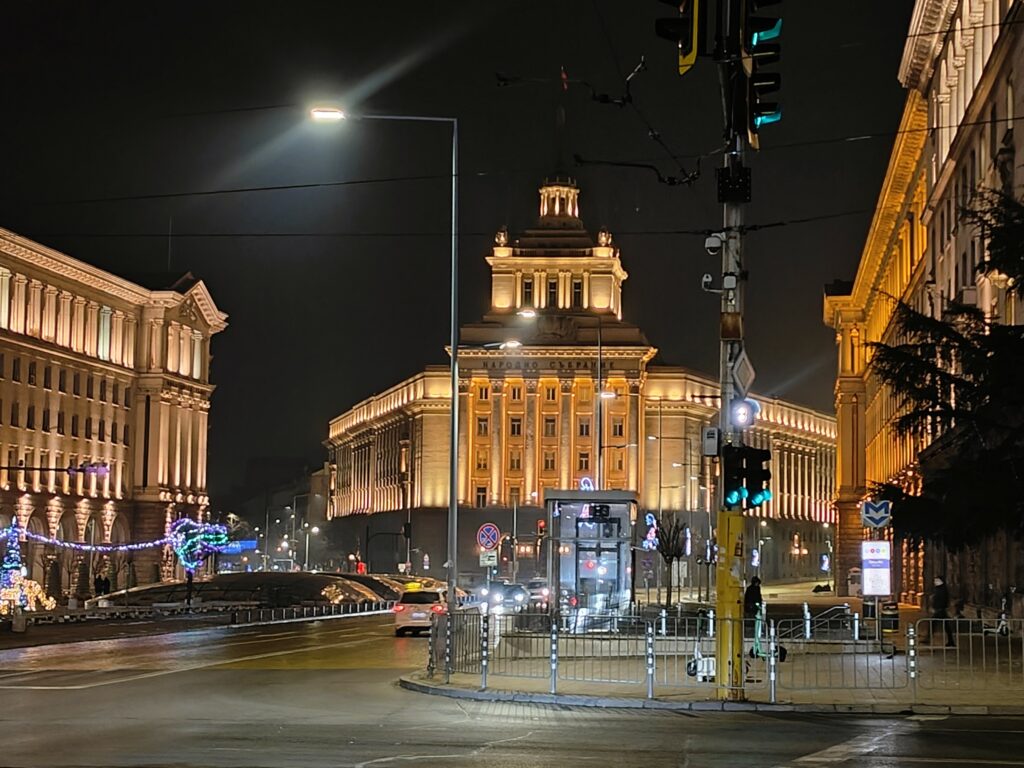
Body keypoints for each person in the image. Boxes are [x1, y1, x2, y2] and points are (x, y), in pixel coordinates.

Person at [931, 576, 955, 647]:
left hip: (940, 610)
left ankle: (928, 638)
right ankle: (951, 641)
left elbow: (942, 599)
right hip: (940, 610)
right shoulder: (938, 589)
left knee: (934, 624)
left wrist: (938, 607)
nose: (935, 582)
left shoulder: (942, 590)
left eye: (936, 581)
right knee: (946, 626)